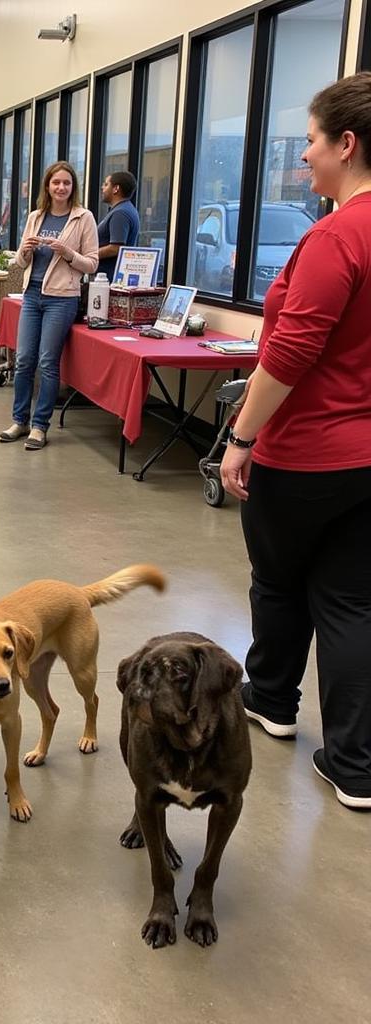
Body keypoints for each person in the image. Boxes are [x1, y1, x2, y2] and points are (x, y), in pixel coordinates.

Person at [220, 72, 371, 811]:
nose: (304, 155)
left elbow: (292, 353)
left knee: (279, 582)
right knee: (350, 601)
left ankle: (274, 701)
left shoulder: (337, 235)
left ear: (347, 144)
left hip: (307, 450)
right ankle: (355, 766)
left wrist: (242, 436)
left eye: (311, 141)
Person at [0, 160, 98, 451]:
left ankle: (40, 426)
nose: (61, 188)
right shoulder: (36, 216)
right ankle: (20, 421)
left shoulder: (84, 218)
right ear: (48, 186)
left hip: (62, 299)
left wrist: (67, 252)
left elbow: (91, 263)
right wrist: (26, 251)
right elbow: (19, 261)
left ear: (73, 187)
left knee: (47, 362)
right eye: (56, 182)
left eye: (66, 183)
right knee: (24, 361)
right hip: (31, 295)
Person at [96, 171, 140, 281]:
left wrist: (88, 256)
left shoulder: (120, 213)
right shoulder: (123, 209)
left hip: (109, 279)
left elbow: (116, 248)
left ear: (116, 189)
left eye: (106, 184)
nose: (102, 188)